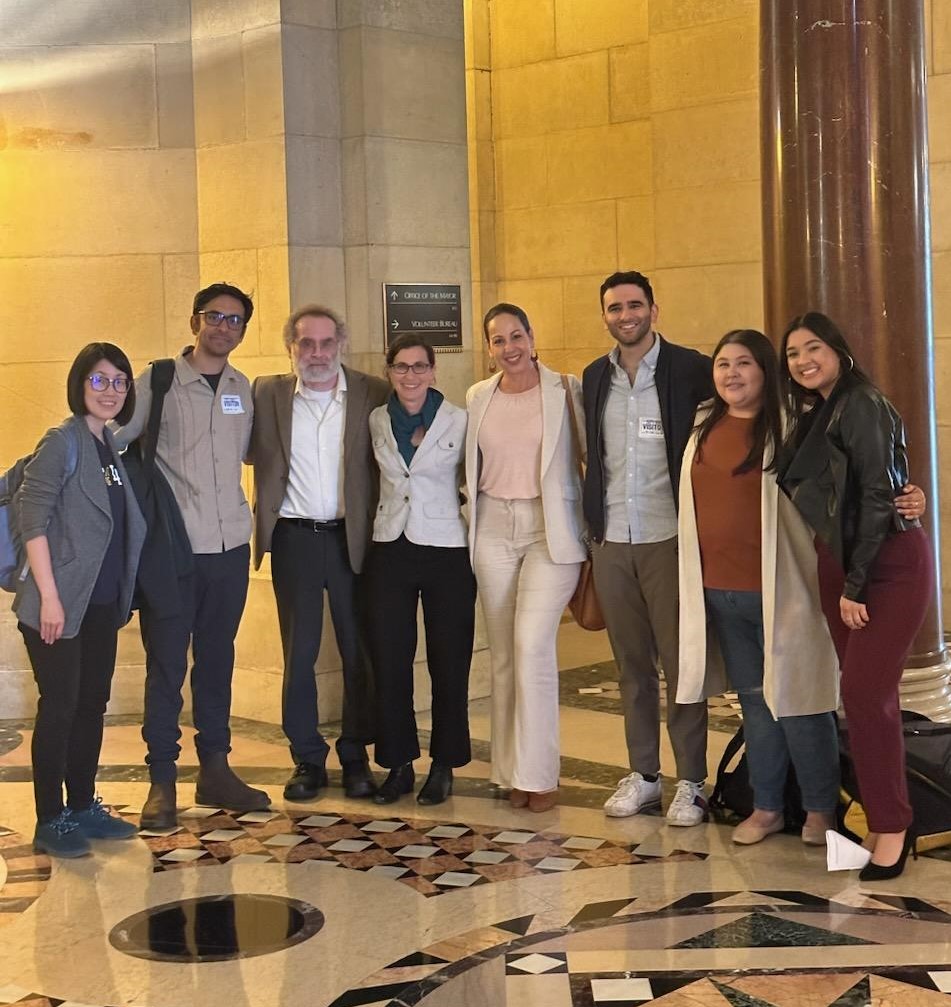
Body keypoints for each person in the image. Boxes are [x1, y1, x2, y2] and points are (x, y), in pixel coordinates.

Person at [779, 312, 933, 880]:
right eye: (792, 354)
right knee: (864, 699)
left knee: (866, 695)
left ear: (839, 349)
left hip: (881, 568)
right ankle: (883, 816)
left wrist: (855, 584)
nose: (802, 361)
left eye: (812, 347)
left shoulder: (860, 401)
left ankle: (893, 824)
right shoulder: (821, 411)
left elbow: (875, 496)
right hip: (841, 564)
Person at [677, 329, 843, 846]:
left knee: (801, 700)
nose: (730, 373)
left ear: (765, 370)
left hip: (782, 591)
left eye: (743, 363)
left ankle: (820, 810)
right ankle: (768, 806)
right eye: (722, 363)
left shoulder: (795, 426)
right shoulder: (705, 423)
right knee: (755, 704)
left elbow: (842, 491)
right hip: (719, 593)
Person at [113, 283, 268, 829]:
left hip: (230, 549)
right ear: (194, 321)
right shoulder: (157, 381)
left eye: (235, 320)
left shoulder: (241, 388)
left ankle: (216, 769)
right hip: (173, 551)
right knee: (166, 666)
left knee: (217, 659)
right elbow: (112, 436)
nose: (223, 327)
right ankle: (161, 780)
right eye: (214, 317)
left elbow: (248, 451)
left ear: (243, 331)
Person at [582, 271, 713, 826]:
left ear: (653, 310)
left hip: (670, 537)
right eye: (615, 307)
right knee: (631, 665)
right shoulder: (594, 377)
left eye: (635, 305)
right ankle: (644, 775)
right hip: (613, 539)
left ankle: (691, 781)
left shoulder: (691, 369)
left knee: (683, 664)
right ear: (606, 315)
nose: (625, 315)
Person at [248, 304, 389, 801]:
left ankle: (355, 755)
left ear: (341, 344)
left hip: (352, 538)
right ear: (291, 347)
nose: (317, 353)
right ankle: (307, 758)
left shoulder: (373, 391)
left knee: (357, 650)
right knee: (300, 653)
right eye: (306, 343)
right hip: (294, 540)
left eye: (326, 343)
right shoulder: (266, 393)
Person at [15, 343, 146, 857]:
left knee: (92, 705)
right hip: (59, 604)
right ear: (80, 384)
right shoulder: (62, 441)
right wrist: (48, 597)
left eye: (119, 381)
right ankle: (51, 819)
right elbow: (33, 519)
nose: (110, 391)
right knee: (61, 708)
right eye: (99, 380)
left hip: (99, 604)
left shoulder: (106, 445)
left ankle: (84, 804)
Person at [465, 303, 585, 813]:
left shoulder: (567, 391)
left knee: (532, 645)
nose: (509, 347)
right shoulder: (477, 397)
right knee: (505, 655)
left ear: (533, 338)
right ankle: (511, 772)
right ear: (488, 348)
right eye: (498, 340)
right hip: (492, 526)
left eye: (517, 336)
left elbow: (591, 456)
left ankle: (540, 776)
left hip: (548, 529)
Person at [365, 333, 476, 806]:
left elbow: (474, 480)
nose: (410, 376)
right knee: (390, 660)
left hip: (447, 547)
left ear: (433, 372)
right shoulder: (376, 419)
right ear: (389, 372)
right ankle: (398, 762)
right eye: (400, 367)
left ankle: (444, 763)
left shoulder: (459, 420)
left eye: (418, 367)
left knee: (450, 660)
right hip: (390, 546)